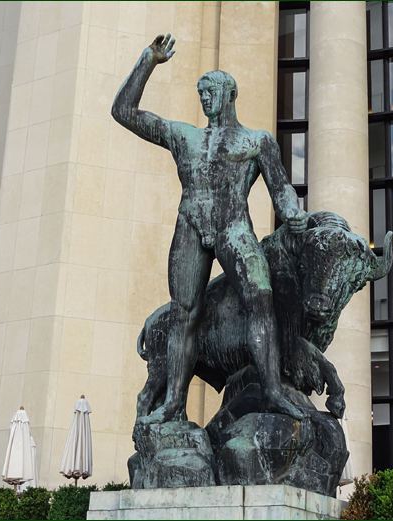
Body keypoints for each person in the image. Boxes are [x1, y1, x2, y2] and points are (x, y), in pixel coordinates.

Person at [112, 34, 308, 424]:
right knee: (185, 314)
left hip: (233, 226)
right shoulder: (184, 136)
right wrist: (147, 61)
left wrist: (294, 213)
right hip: (190, 226)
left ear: (230, 94)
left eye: (211, 91)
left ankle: (271, 390)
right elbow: (124, 111)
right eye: (200, 93)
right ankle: (172, 404)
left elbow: (281, 190)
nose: (204, 99)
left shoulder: (256, 141)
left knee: (260, 298)